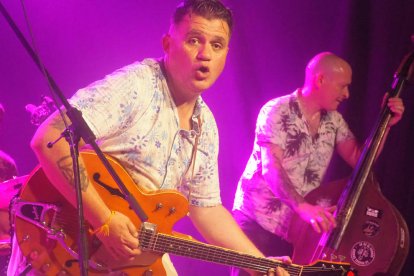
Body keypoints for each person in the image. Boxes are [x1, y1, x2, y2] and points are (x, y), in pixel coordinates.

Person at [7, 0, 290, 275]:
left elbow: (206, 210)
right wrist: (104, 220)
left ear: (226, 55)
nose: (205, 54)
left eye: (217, 45)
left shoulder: (207, 127)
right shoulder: (137, 86)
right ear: (168, 44)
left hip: (125, 257)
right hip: (63, 245)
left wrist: (258, 262)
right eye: (194, 40)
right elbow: (49, 139)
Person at [231, 52, 405, 275]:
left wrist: (386, 125)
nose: (347, 94)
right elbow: (271, 167)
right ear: (321, 80)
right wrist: (303, 208)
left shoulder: (334, 121)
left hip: (293, 231)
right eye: (343, 86)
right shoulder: (277, 110)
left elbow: (359, 158)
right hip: (257, 223)